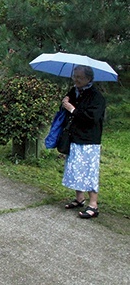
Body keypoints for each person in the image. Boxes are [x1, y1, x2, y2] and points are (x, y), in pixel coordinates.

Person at [61, 65, 106, 219]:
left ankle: (93, 205)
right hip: (75, 136)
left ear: (88, 79)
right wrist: (66, 100)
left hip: (89, 140)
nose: (76, 79)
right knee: (75, 168)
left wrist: (72, 109)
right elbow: (68, 105)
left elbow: (91, 118)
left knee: (89, 170)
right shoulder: (75, 91)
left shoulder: (96, 96)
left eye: (79, 77)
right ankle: (79, 199)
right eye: (75, 76)